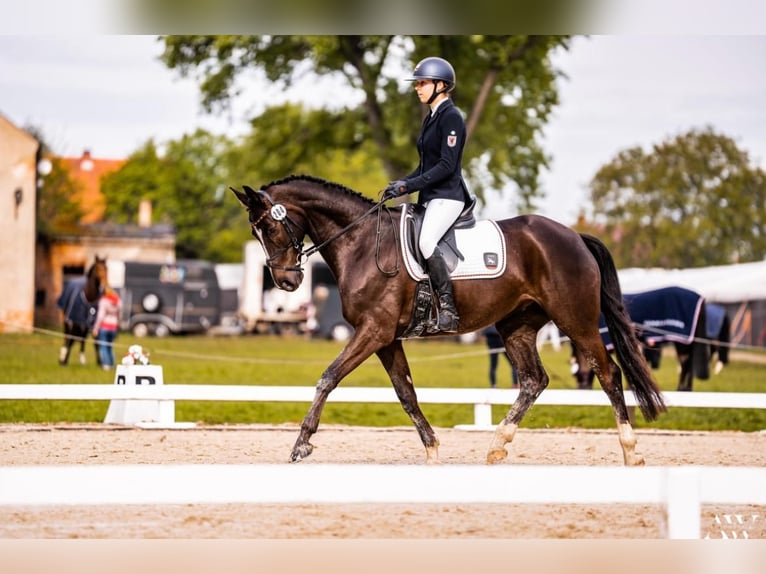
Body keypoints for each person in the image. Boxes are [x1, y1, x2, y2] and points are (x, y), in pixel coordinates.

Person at [383, 56, 472, 334]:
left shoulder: (452, 118)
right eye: (417, 83)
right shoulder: (430, 119)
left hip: (448, 196)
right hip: (430, 197)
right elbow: (424, 167)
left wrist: (409, 188)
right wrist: (401, 182)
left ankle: (448, 309)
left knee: (426, 241)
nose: (417, 88)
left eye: (422, 83)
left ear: (441, 85)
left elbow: (446, 166)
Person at [92, 285, 122, 370]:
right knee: (110, 346)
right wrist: (117, 325)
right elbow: (120, 315)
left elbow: (100, 316)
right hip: (113, 327)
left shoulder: (103, 301)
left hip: (104, 326)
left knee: (103, 346)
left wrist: (96, 328)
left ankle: (106, 364)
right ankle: (112, 363)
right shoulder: (118, 300)